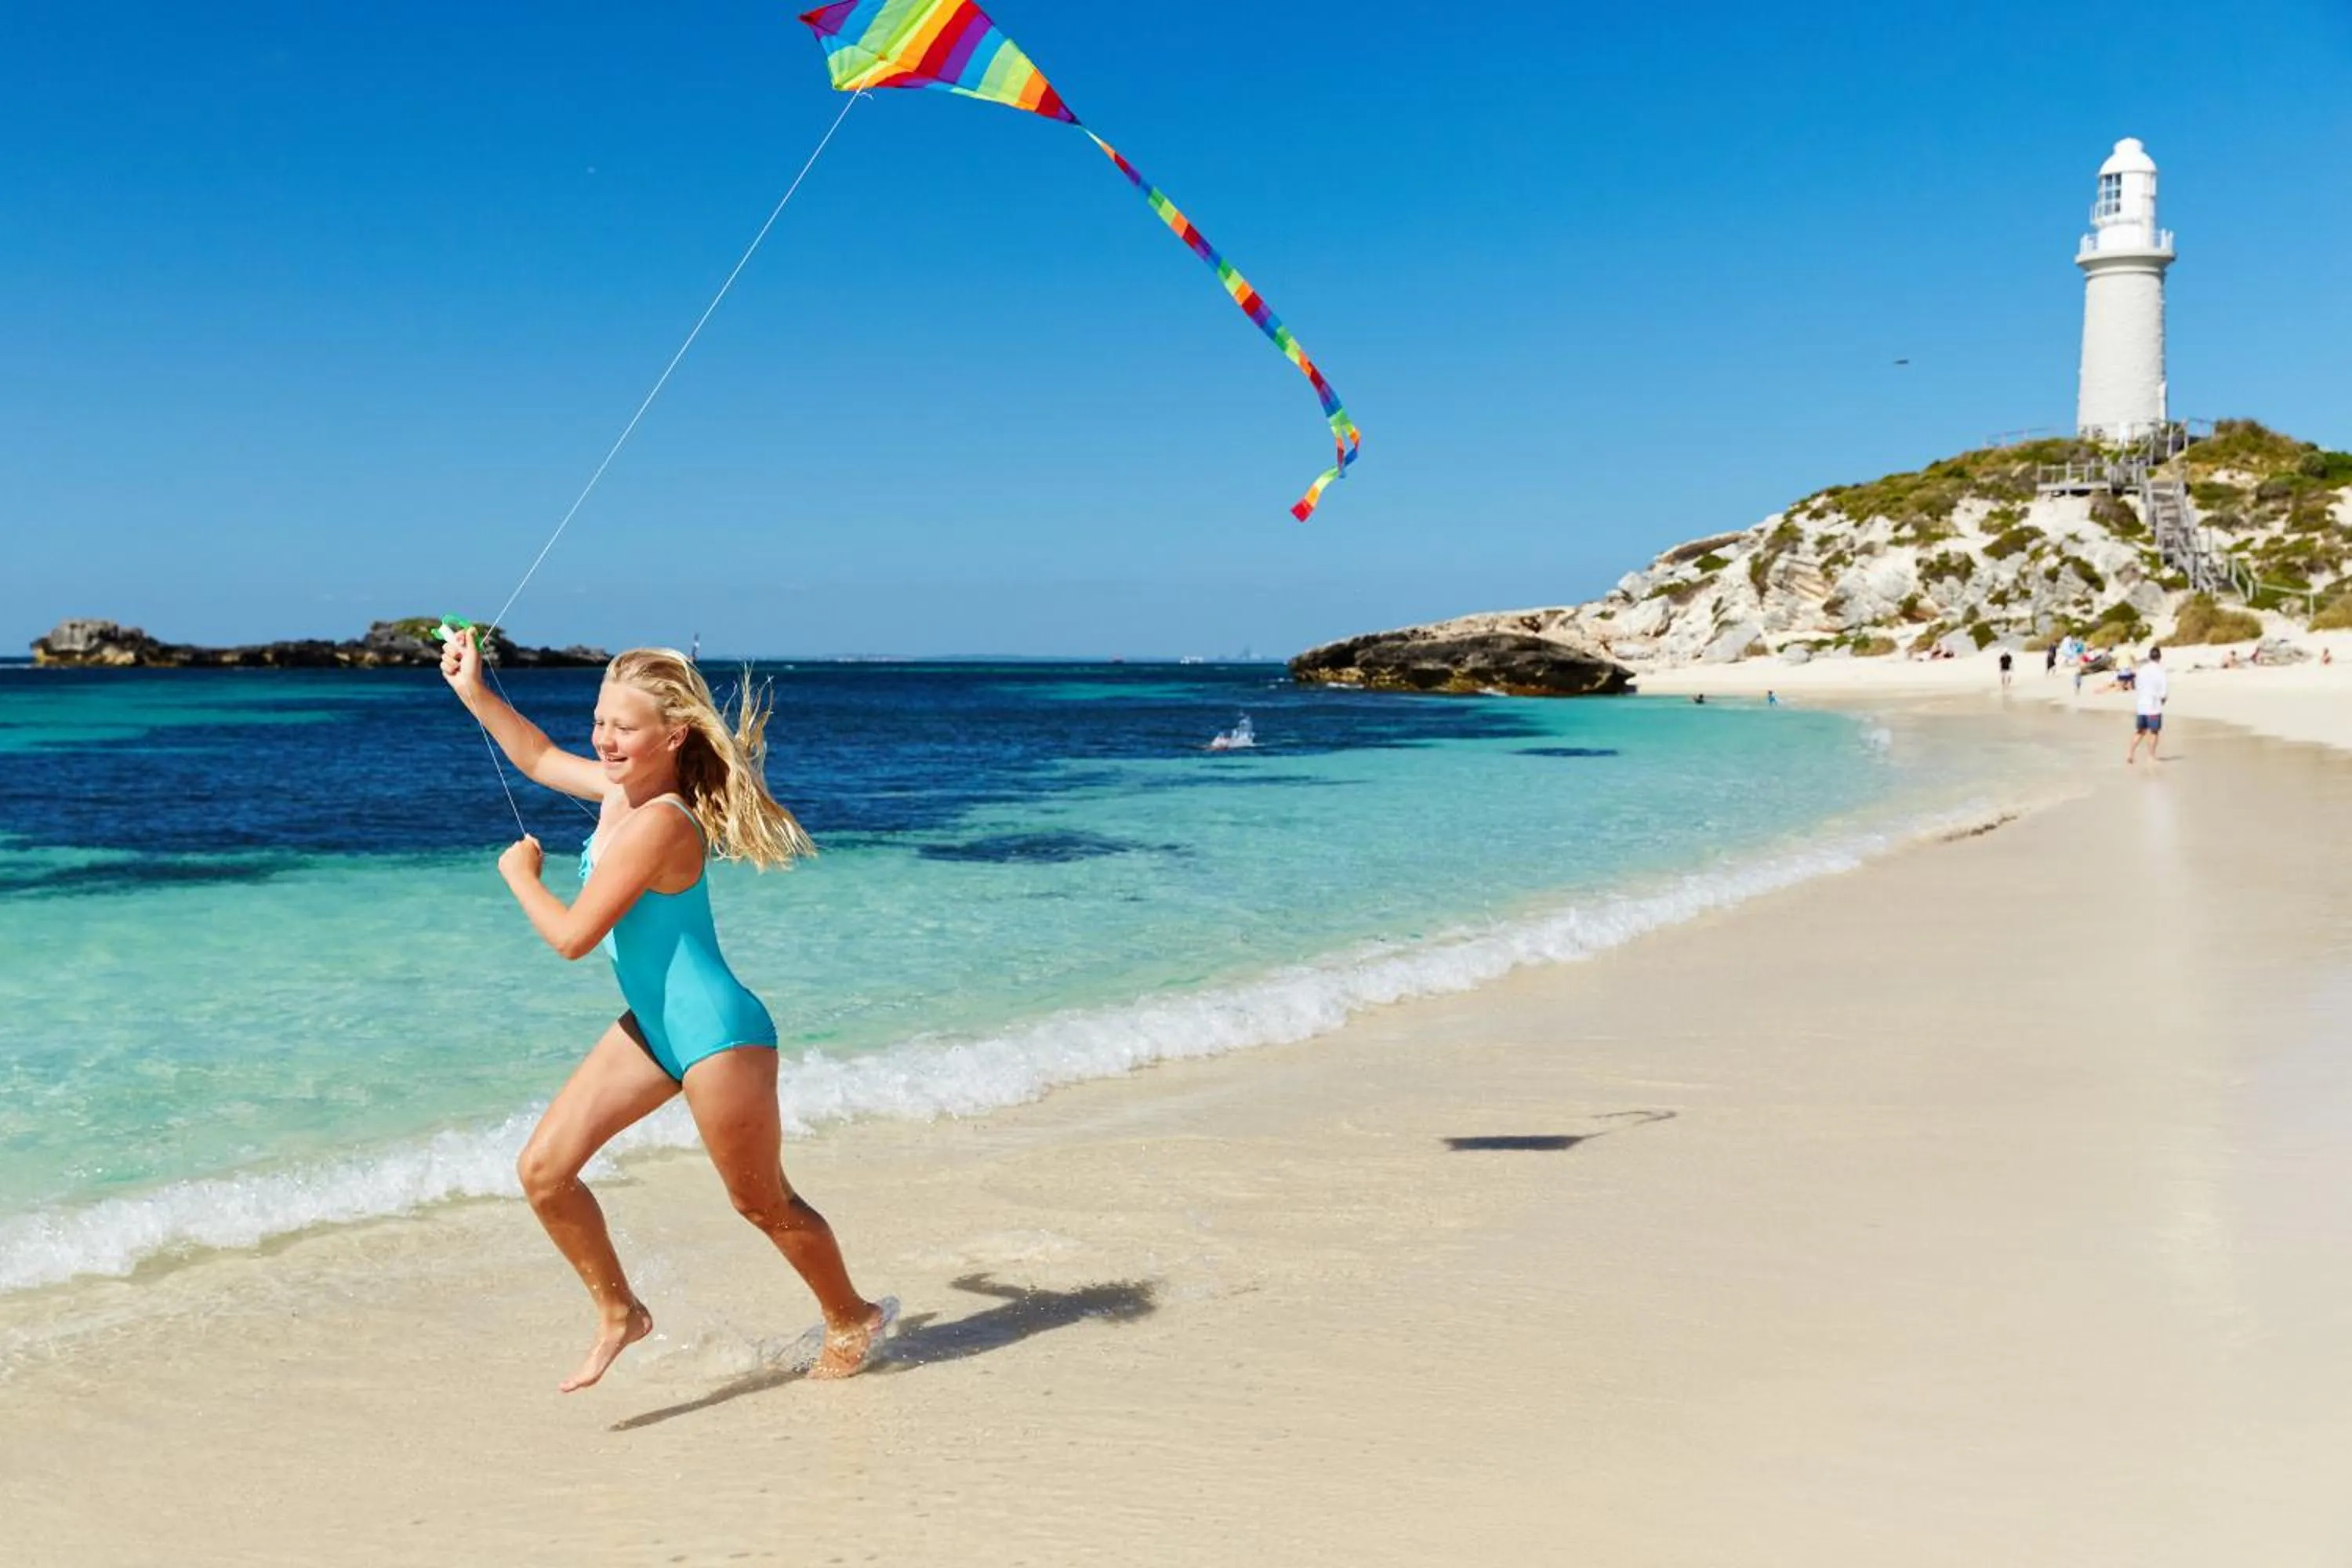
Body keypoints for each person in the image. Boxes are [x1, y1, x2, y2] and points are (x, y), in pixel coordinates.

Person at [440, 630, 889, 1391]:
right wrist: (474, 690)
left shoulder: (663, 822)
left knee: (761, 1200)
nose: (604, 737)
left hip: (719, 1035)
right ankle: (620, 1313)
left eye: (624, 725)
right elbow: (541, 757)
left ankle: (852, 1313)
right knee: (545, 1172)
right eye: (600, 718)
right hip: (652, 1027)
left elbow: (575, 935)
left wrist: (519, 875)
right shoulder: (622, 795)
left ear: (672, 734)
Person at [2126, 645, 2169, 765]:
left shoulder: (2142, 670)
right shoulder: (2160, 671)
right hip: (2153, 706)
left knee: (2140, 731)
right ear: (2159, 657)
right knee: (2154, 732)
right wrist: (2163, 700)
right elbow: (2164, 693)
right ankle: (2151, 756)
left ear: (2149, 657)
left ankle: (2130, 753)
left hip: (2141, 706)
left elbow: (2136, 685)